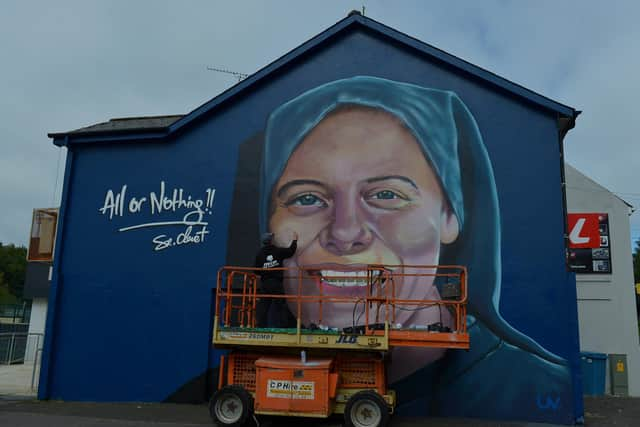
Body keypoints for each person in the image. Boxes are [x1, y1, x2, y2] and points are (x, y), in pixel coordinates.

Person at [251, 76, 573, 422]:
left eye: (387, 195)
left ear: (451, 214)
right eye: (307, 198)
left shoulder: (540, 386)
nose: (345, 233)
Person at [254, 231, 298, 327]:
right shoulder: (276, 251)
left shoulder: (260, 254)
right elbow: (290, 251)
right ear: (271, 241)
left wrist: (265, 271)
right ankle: (284, 325)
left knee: (264, 305)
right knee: (281, 304)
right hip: (276, 283)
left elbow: (256, 270)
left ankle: (260, 325)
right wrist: (295, 240)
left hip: (265, 283)